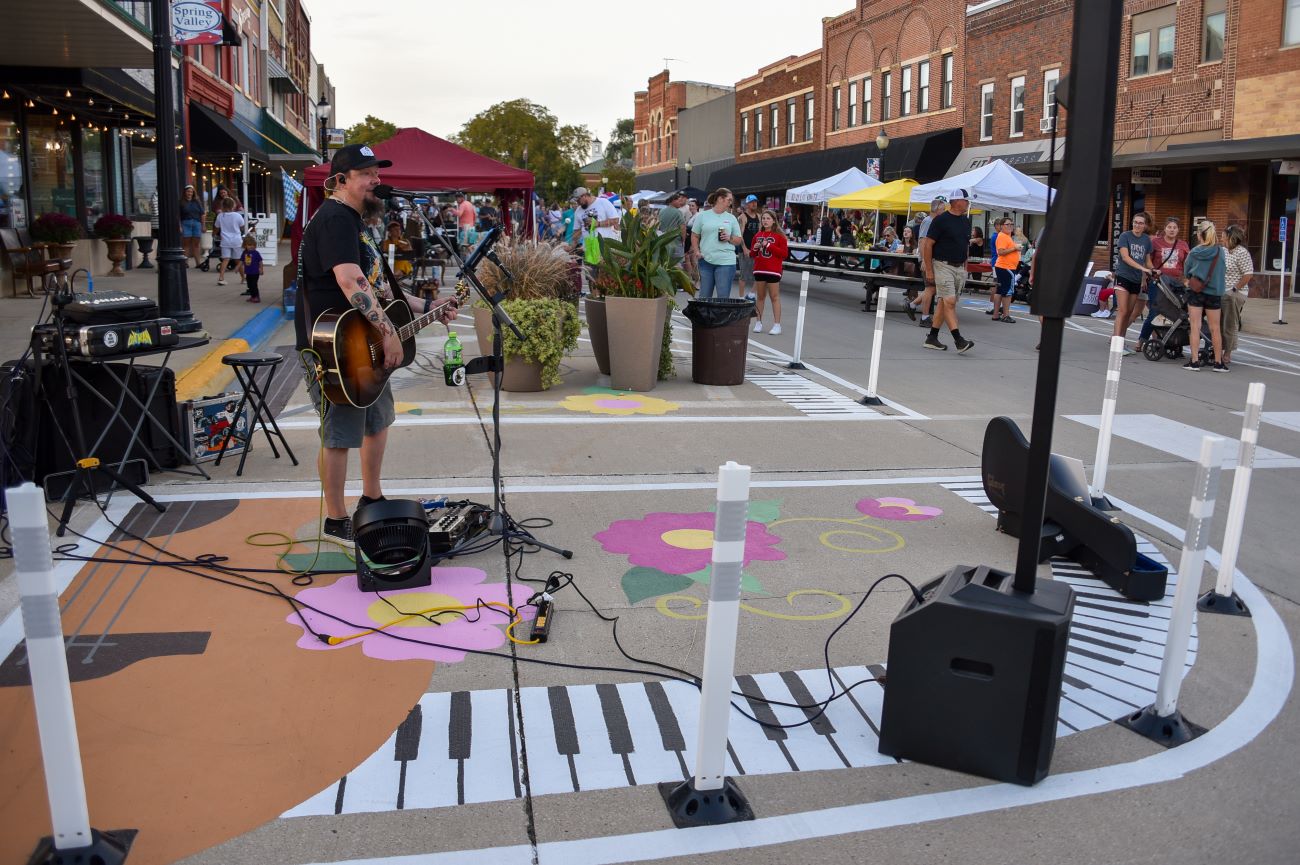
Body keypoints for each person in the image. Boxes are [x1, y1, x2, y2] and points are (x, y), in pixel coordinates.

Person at [294, 143, 459, 546]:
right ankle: (335, 520)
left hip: (361, 335)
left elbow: (380, 288)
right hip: (335, 346)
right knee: (340, 433)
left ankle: (371, 496)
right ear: (341, 180)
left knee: (376, 421)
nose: (376, 181)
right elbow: (350, 282)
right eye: (367, 174)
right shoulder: (334, 219)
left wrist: (429, 307)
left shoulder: (356, 222)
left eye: (378, 174)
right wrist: (388, 333)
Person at [918, 188, 975, 353]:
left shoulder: (965, 221)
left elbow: (965, 245)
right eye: (966, 200)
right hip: (942, 265)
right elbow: (928, 244)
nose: (968, 203)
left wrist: (966, 266)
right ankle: (959, 340)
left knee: (945, 302)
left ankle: (932, 337)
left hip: (959, 267)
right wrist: (929, 269)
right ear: (957, 201)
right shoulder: (941, 220)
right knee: (949, 301)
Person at [1137, 217, 1189, 352]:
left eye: (1174, 228)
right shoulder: (1156, 243)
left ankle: (1173, 343)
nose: (1172, 230)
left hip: (1175, 284)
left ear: (1178, 230)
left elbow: (1187, 265)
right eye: (1169, 227)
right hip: (1158, 282)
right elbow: (1146, 262)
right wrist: (1144, 278)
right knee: (1155, 312)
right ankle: (1142, 340)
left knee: (1175, 314)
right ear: (1165, 228)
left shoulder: (1183, 245)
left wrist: (1186, 280)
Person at [1183, 220, 1227, 372]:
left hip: (1196, 292)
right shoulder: (1220, 251)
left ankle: (1194, 361)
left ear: (1198, 234)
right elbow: (1223, 271)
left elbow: (1186, 272)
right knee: (1215, 328)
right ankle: (1218, 362)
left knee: (1195, 327)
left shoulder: (1194, 252)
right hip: (1214, 293)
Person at [1111, 211, 1155, 354]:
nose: (1137, 225)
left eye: (1140, 223)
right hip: (1123, 276)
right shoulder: (1125, 236)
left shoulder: (1146, 240)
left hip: (1136, 280)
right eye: (1135, 222)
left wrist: (1153, 270)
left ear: (1145, 226)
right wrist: (1143, 268)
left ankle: (1121, 341)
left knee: (1129, 312)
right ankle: (1116, 344)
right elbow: (1125, 257)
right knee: (1122, 311)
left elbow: (1148, 261)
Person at [690, 187, 742, 299]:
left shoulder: (732, 218)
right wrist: (697, 252)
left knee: (723, 298)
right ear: (720, 199)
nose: (731, 202)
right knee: (704, 297)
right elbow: (695, 235)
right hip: (706, 260)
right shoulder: (702, 216)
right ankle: (704, 317)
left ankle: (720, 317)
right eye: (729, 199)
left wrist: (729, 238)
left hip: (726, 262)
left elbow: (738, 240)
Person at [907, 196, 950, 323]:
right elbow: (922, 241)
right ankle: (924, 316)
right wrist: (925, 261)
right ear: (936, 210)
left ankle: (912, 305)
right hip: (927, 259)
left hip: (932, 258)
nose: (944, 211)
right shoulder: (928, 221)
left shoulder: (935, 221)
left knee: (933, 288)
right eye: (942, 209)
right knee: (930, 288)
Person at [751, 209, 788, 334]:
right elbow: (752, 254)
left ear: (773, 221)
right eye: (763, 218)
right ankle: (758, 322)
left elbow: (784, 254)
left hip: (773, 271)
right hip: (759, 269)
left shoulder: (780, 236)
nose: (765, 221)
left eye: (768, 218)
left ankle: (777, 325)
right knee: (760, 297)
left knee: (774, 297)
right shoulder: (757, 235)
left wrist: (768, 245)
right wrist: (755, 249)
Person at [1221, 224, 1253, 367]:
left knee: (1229, 322)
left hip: (1234, 292)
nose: (1221, 238)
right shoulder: (1222, 251)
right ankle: (1217, 348)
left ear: (1230, 237)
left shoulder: (1242, 252)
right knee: (1218, 322)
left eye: (1223, 235)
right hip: (1220, 290)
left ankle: (1227, 351)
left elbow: (1248, 275)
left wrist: (1234, 289)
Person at [991, 218, 1020, 323]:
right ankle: (1006, 315)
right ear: (1002, 226)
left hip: (1004, 266)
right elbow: (1001, 252)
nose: (1010, 226)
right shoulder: (1003, 236)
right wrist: (1015, 248)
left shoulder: (1006, 236)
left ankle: (995, 314)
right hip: (1006, 267)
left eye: (1011, 224)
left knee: (1000, 290)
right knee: (1007, 292)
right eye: (1007, 224)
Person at [213, 197, 245, 286]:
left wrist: (214, 234)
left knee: (225, 259)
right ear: (233, 206)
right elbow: (242, 226)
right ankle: (243, 278)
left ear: (222, 206)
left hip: (225, 240)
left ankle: (221, 277)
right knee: (238, 260)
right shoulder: (237, 215)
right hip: (236, 240)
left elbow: (216, 227)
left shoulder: (220, 216)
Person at [738, 194, 762, 300]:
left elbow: (760, 233)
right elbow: (740, 234)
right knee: (743, 275)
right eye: (752, 202)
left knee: (759, 273)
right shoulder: (742, 217)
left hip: (756, 249)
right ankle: (741, 297)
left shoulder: (759, 216)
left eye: (755, 202)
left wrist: (760, 246)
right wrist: (744, 249)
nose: (754, 204)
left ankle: (752, 293)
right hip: (745, 249)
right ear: (747, 204)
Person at [658, 190, 688, 262]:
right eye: (678, 200)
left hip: (664, 242)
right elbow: (682, 227)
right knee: (677, 264)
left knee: (666, 263)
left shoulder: (661, 211)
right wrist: (683, 240)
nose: (680, 202)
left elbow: (658, 225)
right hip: (675, 242)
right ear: (673, 201)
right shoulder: (678, 212)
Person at [180, 184, 205, 268]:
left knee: (196, 244)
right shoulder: (181, 202)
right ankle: (185, 262)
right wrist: (179, 226)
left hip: (196, 223)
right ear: (185, 192)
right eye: (188, 191)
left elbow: (202, 214)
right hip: (185, 223)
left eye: (191, 191)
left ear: (193, 192)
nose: (189, 193)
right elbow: (178, 215)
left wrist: (203, 225)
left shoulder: (197, 202)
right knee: (186, 244)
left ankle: (198, 263)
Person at [239, 235, 262, 303]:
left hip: (255, 272)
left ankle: (256, 297)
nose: (251, 246)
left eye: (253, 245)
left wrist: (261, 269)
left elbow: (260, 261)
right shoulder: (244, 253)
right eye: (249, 245)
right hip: (248, 272)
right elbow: (241, 261)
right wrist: (237, 267)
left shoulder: (256, 253)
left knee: (254, 284)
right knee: (249, 285)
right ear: (245, 245)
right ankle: (253, 296)